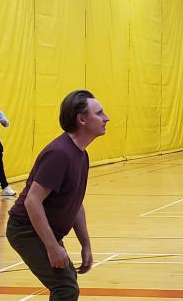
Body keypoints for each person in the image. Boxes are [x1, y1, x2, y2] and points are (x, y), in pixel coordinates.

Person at [6, 90, 109, 300]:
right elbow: (32, 201)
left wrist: (85, 244)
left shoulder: (81, 154)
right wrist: (52, 247)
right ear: (81, 119)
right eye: (99, 113)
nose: (106, 118)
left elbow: (75, 203)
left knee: (67, 282)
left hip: (45, 231)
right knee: (66, 287)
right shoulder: (60, 154)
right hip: (26, 231)